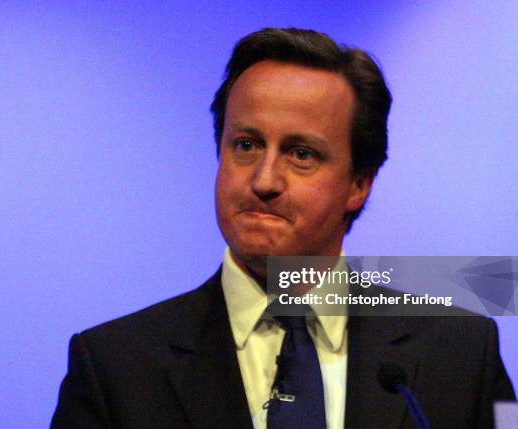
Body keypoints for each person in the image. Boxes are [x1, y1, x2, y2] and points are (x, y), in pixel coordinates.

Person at [51, 28, 515, 428]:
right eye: (247, 145)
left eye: (301, 154)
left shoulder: (460, 354)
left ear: (358, 184)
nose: (263, 181)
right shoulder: (114, 367)